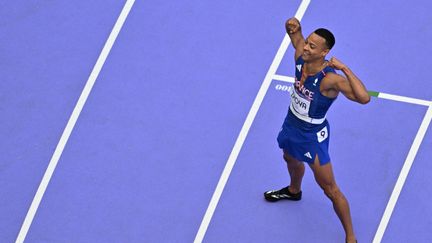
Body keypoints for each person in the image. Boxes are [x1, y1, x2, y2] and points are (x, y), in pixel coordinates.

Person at [264, 17, 370, 243]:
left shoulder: (330, 80)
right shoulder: (300, 58)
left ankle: (351, 237)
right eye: (307, 42)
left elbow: (364, 98)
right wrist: (292, 25)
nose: (305, 47)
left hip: (312, 137)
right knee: (289, 158)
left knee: (330, 189)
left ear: (325, 52)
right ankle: (294, 191)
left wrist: (345, 68)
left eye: (312, 46)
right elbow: (294, 33)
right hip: (291, 124)